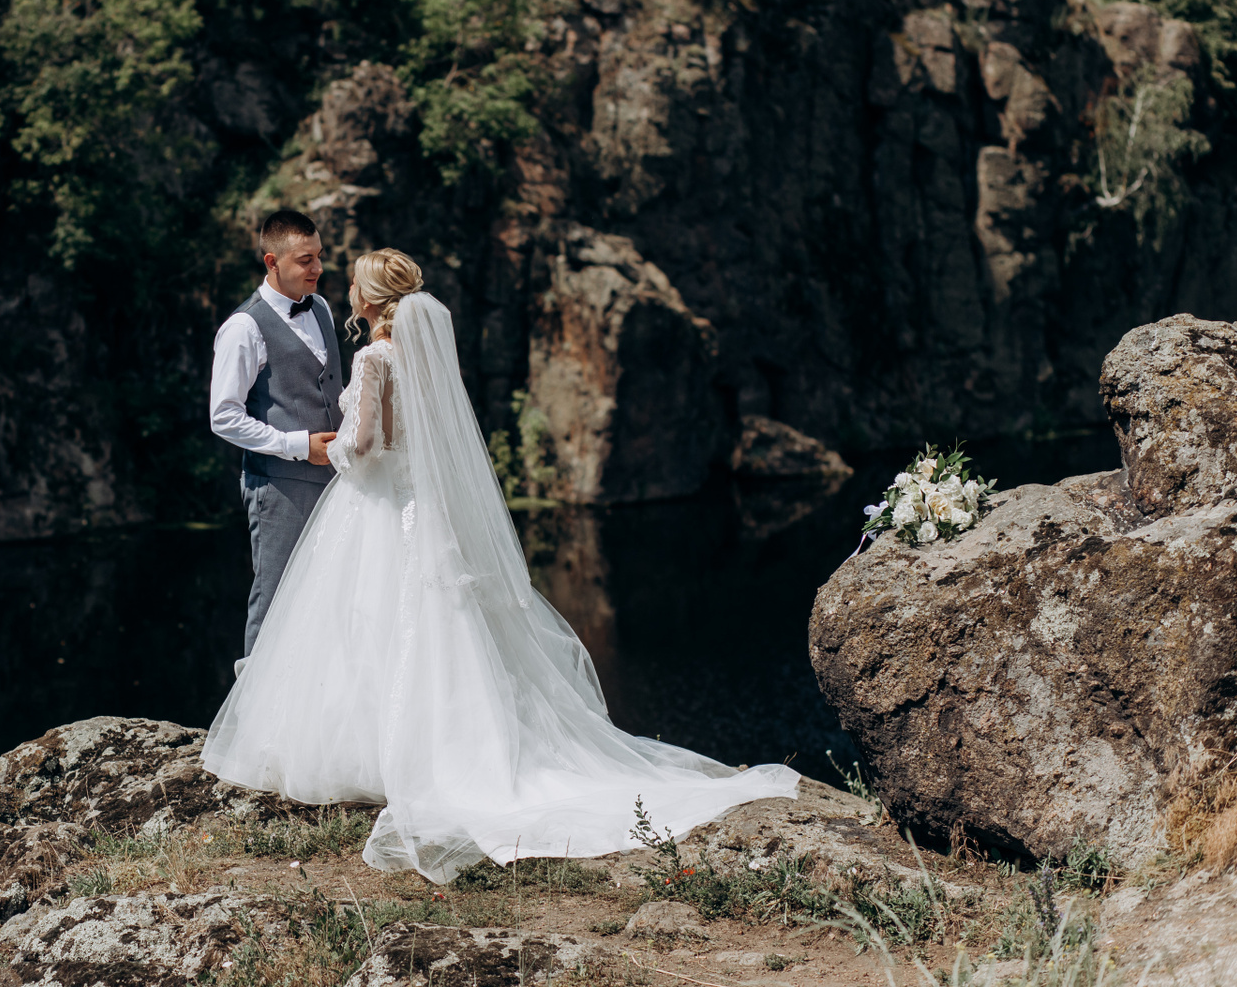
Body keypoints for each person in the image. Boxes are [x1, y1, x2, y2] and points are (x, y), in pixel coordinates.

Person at [202, 248, 799, 883]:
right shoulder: (420, 350)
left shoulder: (375, 356)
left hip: (376, 501)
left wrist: (334, 453)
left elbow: (368, 443)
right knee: (433, 623)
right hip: (420, 505)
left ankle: (371, 756)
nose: (342, 286)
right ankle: (448, 745)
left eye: (352, 281)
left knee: (366, 621)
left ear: (370, 299)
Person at [209, 210, 344, 662]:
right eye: (305, 260)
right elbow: (223, 416)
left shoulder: (321, 307)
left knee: (329, 601)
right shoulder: (243, 328)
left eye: (319, 256)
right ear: (272, 262)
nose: (318, 268)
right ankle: (252, 706)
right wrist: (297, 446)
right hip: (279, 487)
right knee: (274, 603)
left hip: (338, 485)